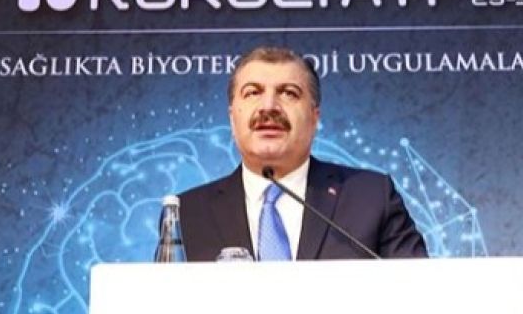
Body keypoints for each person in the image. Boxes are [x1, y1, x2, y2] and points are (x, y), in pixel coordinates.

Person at [177, 46, 428, 261]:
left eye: (288, 93)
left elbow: (419, 291)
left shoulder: (371, 198)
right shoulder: (188, 213)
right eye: (253, 92)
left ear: (314, 117)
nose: (269, 106)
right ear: (233, 117)